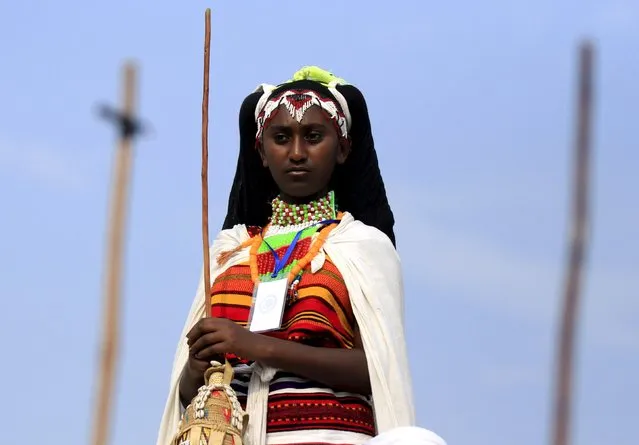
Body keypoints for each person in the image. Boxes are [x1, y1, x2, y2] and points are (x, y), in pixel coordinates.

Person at [156, 66, 446, 445]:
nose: (296, 153)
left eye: (313, 137)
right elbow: (184, 392)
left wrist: (254, 346)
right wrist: (195, 370)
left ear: (342, 148)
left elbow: (377, 370)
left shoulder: (362, 246)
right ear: (260, 151)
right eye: (281, 138)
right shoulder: (229, 251)